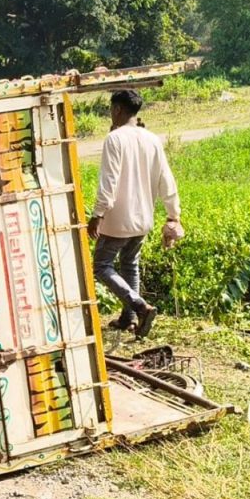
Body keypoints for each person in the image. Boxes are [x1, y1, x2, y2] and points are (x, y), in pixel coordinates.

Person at [88, 90, 182, 339]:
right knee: (130, 264)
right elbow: (166, 179)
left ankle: (140, 306)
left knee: (101, 266)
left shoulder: (115, 139)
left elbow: (109, 181)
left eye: (111, 109)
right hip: (143, 218)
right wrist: (173, 215)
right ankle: (129, 318)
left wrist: (97, 213)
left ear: (117, 109)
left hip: (118, 219)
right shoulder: (151, 139)